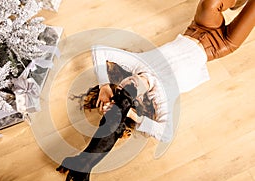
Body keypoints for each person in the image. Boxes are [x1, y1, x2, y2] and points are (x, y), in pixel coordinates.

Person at [91, 0, 255, 143]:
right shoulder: (161, 96)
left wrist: (104, 85)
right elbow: (165, 134)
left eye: (122, 87)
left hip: (199, 27)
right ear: (138, 98)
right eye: (131, 90)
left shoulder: (138, 64)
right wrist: (133, 116)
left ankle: (237, 1)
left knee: (208, 3)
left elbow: (98, 50)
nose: (130, 84)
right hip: (221, 45)